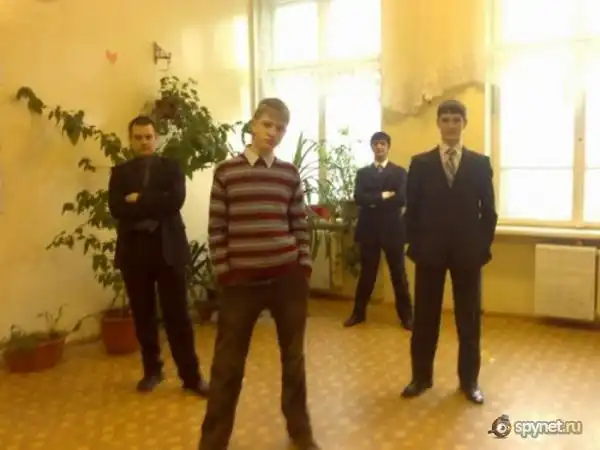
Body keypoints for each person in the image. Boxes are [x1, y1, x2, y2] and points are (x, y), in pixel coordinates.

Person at [199, 98, 320, 450]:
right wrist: (225, 272)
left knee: (293, 361)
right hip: (241, 284)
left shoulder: (288, 173)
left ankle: (301, 433)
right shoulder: (227, 172)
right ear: (253, 124)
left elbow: (299, 223)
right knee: (227, 366)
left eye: (280, 128)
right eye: (268, 125)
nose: (273, 133)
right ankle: (212, 442)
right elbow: (217, 227)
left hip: (287, 281)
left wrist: (303, 266)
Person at [401, 100, 498, 404]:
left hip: (468, 254)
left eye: (457, 119)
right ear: (438, 124)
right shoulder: (420, 163)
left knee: (469, 321)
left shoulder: (480, 164)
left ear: (464, 123)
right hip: (429, 253)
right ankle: (421, 378)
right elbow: (412, 210)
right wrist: (414, 246)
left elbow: (489, 212)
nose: (451, 125)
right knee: (425, 319)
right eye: (446, 119)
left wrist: (481, 247)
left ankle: (469, 382)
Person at [108, 115, 208, 396]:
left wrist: (138, 199)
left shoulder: (172, 168)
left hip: (168, 250)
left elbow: (174, 201)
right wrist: (155, 201)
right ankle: (152, 371)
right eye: (138, 137)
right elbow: (117, 208)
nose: (144, 142)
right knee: (143, 316)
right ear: (130, 140)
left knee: (179, 317)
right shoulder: (120, 173)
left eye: (148, 137)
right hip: (134, 252)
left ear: (156, 138)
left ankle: (191, 376)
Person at [343, 131, 413, 330]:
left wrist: (372, 200)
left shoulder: (399, 172)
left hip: (393, 229)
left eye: (382, 143)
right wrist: (383, 196)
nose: (379, 147)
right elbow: (359, 198)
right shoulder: (363, 173)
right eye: (376, 144)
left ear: (388, 146)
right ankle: (358, 314)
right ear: (372, 147)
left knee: (398, 275)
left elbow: (401, 199)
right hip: (369, 230)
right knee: (367, 274)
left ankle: (407, 317)